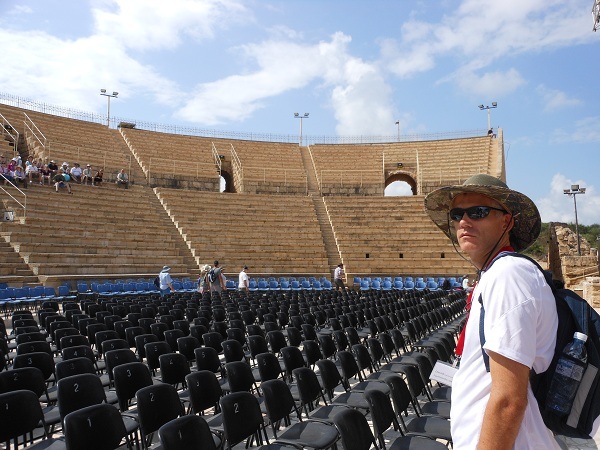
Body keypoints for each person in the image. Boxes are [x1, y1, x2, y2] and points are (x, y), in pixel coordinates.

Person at [424, 173, 559, 449]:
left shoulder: (508, 275)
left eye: (478, 212)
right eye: (457, 214)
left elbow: (509, 400)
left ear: (506, 220)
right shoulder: (496, 273)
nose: (464, 221)